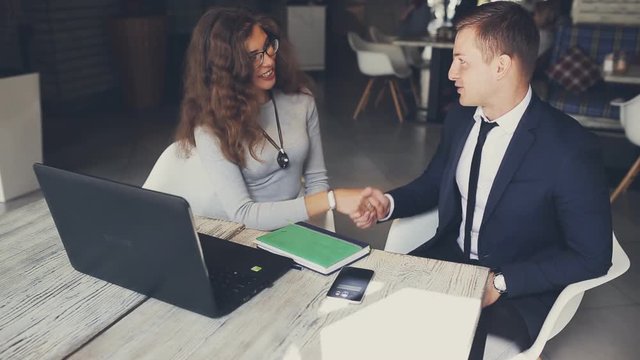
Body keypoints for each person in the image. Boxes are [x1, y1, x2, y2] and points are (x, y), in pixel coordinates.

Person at [350, 2, 612, 359]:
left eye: (463, 61)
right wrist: (388, 204)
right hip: (448, 261)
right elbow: (435, 182)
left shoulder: (570, 148)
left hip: (518, 289)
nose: (451, 73)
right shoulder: (459, 117)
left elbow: (593, 256)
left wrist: (501, 284)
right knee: (365, 317)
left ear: (501, 66)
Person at [174, 7, 362, 231]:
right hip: (245, 236)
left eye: (268, 46)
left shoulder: (301, 100)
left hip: (298, 227)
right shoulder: (210, 128)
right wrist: (332, 200)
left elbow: (316, 179)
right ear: (227, 68)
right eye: (253, 57)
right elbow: (244, 214)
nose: (268, 61)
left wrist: (314, 235)